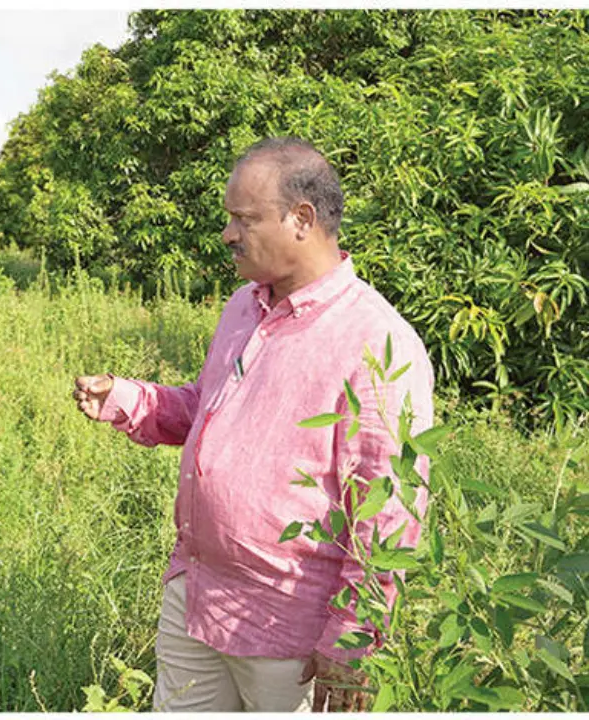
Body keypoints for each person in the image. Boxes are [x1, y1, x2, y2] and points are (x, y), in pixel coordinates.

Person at [73, 137, 433, 712]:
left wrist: (354, 638)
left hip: (290, 631)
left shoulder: (377, 342)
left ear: (302, 219)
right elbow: (208, 406)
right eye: (229, 218)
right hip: (198, 594)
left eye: (244, 218)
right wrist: (126, 398)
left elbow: (389, 509)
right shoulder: (245, 306)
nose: (228, 234)